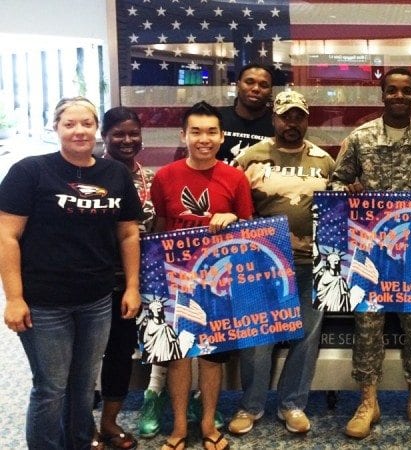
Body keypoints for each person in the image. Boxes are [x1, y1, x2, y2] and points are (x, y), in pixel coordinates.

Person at [0, 97, 142, 449]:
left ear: (96, 129)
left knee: (82, 383)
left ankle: (80, 440)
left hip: (95, 299)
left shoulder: (115, 174)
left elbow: (127, 233)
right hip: (44, 302)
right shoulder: (30, 171)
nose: (79, 130)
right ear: (56, 128)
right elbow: (7, 236)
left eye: (86, 123)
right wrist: (14, 298)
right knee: (51, 386)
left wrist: (132, 287)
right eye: (69, 124)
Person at [330, 67, 411, 439]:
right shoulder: (361, 138)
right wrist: (346, 193)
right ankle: (368, 401)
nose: (399, 96)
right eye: (392, 90)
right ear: (382, 94)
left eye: (406, 91)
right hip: (371, 253)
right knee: (368, 327)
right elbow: (335, 182)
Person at [227, 90, 335, 435]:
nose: (292, 123)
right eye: (285, 116)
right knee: (258, 336)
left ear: (307, 119)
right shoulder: (248, 158)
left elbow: (337, 208)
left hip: (310, 263)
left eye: (298, 116)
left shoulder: (324, 160)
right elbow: (231, 203)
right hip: (262, 263)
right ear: (274, 119)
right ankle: (251, 406)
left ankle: (293, 405)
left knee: (306, 336)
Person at [150, 101, 254, 450]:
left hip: (219, 283)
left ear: (222, 137)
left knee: (211, 358)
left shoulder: (236, 178)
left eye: (211, 132)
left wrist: (233, 220)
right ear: (184, 135)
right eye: (196, 131)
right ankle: (179, 428)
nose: (204, 139)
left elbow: (249, 232)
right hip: (176, 280)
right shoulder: (165, 177)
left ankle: (208, 424)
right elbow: (160, 230)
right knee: (179, 357)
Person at [96, 106, 156, 450]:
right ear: (104, 136)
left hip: (133, 282)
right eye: (118, 133)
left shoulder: (148, 177)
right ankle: (81, 423)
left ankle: (110, 423)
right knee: (86, 356)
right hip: (92, 280)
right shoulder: (90, 173)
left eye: (133, 133)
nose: (127, 140)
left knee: (120, 353)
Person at [217, 63, 275, 163]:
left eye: (264, 85)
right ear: (238, 85)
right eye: (249, 82)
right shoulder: (217, 118)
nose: (256, 88)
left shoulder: (278, 123)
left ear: (270, 91)